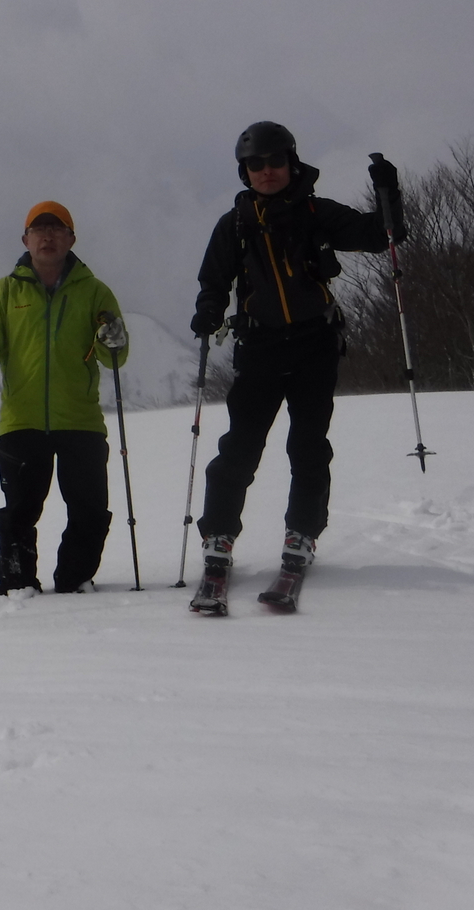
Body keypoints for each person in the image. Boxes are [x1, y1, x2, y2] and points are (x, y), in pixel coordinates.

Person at [188, 122, 405, 608]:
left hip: (313, 346)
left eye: (274, 162)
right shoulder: (236, 224)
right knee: (239, 449)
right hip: (260, 348)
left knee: (307, 447)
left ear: (291, 163)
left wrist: (389, 192)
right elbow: (213, 280)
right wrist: (207, 310)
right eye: (256, 165)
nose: (266, 171)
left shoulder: (315, 212)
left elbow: (381, 235)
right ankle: (219, 537)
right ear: (245, 172)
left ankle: (300, 535)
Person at [0, 200, 129, 595]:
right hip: (22, 419)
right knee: (19, 510)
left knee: (89, 510)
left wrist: (114, 340)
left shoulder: (94, 291)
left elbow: (114, 354)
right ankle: (18, 584)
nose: (47, 236)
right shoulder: (5, 292)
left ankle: (75, 579)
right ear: (26, 239)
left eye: (56, 229)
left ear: (71, 239)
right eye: (39, 229)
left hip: (80, 419)